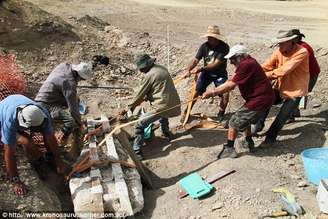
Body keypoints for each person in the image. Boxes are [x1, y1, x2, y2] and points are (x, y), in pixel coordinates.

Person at [202, 45, 274, 159]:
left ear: (240, 57)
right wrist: (221, 87)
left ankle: (230, 149)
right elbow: (233, 79)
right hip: (261, 99)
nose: (231, 62)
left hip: (259, 100)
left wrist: (212, 92)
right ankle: (248, 142)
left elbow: (231, 85)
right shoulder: (249, 60)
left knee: (233, 122)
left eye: (233, 59)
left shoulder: (246, 64)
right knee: (244, 120)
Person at [0, 94, 64, 196]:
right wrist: (16, 181)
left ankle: (44, 159)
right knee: (27, 143)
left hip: (17, 107)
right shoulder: (9, 121)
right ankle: (36, 163)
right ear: (27, 125)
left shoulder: (42, 113)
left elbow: (50, 138)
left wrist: (57, 159)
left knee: (33, 144)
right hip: (2, 118)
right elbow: (9, 154)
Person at [252, 30, 309, 143]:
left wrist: (263, 76)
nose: (279, 45)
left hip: (296, 89)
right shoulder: (279, 51)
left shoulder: (302, 52)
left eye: (282, 43)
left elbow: (284, 70)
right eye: (279, 43)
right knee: (265, 100)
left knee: (282, 116)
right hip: (281, 86)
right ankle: (257, 126)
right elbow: (267, 65)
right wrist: (255, 72)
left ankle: (270, 138)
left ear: (290, 42)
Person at [119, 54, 181, 160]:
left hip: (162, 105)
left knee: (139, 125)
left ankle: (137, 150)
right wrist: (148, 96)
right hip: (174, 102)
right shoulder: (161, 68)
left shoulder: (149, 75)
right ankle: (167, 133)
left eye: (142, 68)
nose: (141, 71)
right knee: (163, 114)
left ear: (147, 65)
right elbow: (158, 89)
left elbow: (139, 95)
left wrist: (127, 108)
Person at [35, 62, 93, 157]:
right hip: (46, 105)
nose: (80, 81)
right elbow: (73, 108)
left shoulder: (64, 66)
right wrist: (79, 123)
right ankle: (61, 141)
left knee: (76, 99)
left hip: (48, 97)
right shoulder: (69, 84)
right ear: (79, 76)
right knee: (70, 122)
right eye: (82, 79)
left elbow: (72, 98)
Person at [182, 25, 230, 122]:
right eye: (208, 37)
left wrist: (201, 69)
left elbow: (216, 64)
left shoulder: (224, 47)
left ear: (216, 38)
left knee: (225, 94)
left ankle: (221, 113)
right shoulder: (204, 46)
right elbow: (195, 60)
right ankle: (187, 112)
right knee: (196, 92)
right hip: (206, 73)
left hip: (219, 74)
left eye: (211, 37)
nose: (209, 39)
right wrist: (188, 70)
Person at [287, 29, 320, 122]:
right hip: (307, 75)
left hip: (310, 76)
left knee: (295, 95)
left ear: (296, 38)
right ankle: (294, 112)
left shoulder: (303, 48)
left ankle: (290, 115)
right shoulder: (297, 46)